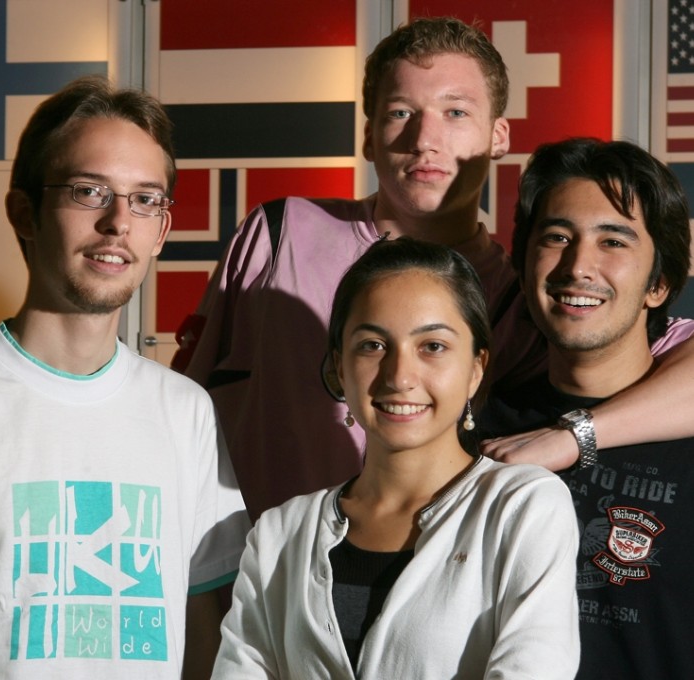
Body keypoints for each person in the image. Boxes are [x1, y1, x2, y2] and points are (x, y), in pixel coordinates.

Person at [172, 16, 694, 521]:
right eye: (401, 112)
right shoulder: (280, 233)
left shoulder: (525, 296)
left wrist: (575, 436)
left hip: (415, 568)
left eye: (455, 112)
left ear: (498, 136)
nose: (425, 139)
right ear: (368, 136)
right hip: (251, 563)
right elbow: (182, 403)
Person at [0, 75, 250, 679]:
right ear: (24, 213)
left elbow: (203, 630)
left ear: (162, 232)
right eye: (90, 192)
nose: (119, 221)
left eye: (145, 199)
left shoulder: (185, 412)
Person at [212, 237, 579, 679]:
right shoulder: (280, 534)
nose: (400, 376)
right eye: (372, 345)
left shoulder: (522, 508)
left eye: (433, 346)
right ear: (339, 368)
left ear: (476, 368)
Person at [479, 138, 694, 679]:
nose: (578, 266)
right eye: (557, 237)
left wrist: (574, 435)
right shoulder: (475, 431)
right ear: (523, 266)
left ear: (659, 283)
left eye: (613, 241)